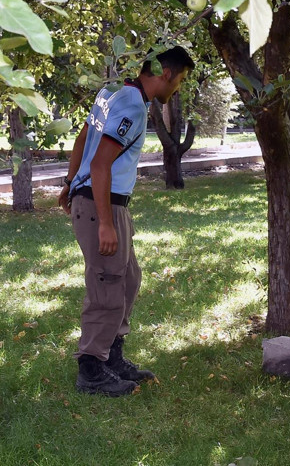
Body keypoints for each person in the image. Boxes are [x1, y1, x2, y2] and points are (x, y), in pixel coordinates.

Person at [58, 45, 194, 396]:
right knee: (107, 285)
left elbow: (83, 137)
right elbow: (101, 163)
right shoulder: (132, 103)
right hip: (101, 204)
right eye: (179, 80)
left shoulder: (112, 90)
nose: (177, 88)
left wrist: (69, 182)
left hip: (99, 200)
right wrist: (104, 222)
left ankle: (111, 356)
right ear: (166, 73)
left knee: (128, 278)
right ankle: (91, 367)